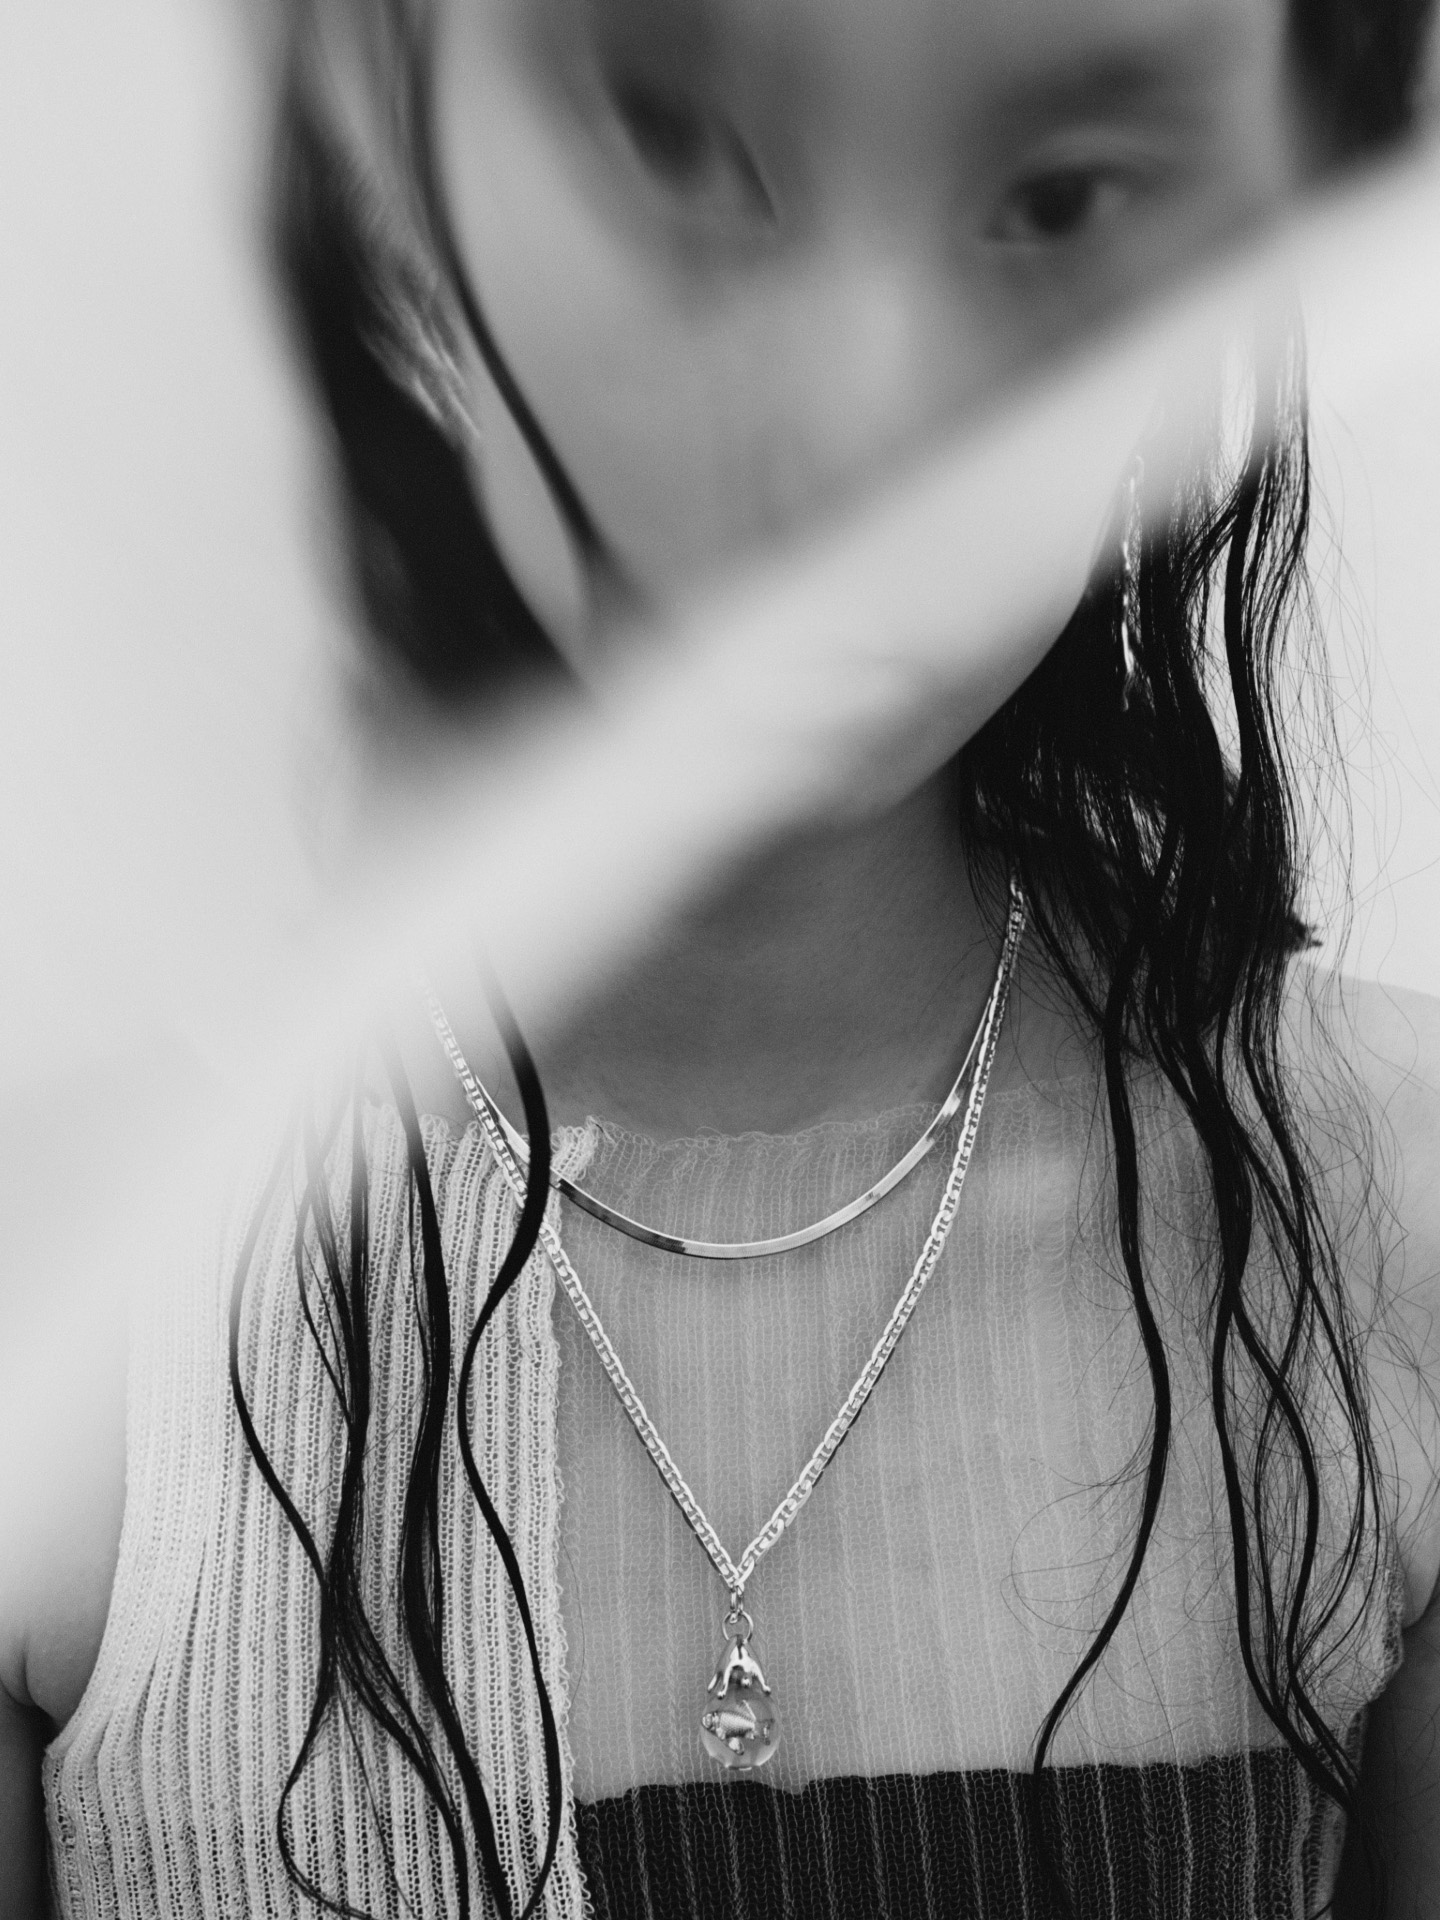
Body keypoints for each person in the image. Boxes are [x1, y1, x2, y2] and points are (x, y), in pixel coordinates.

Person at [3, 0, 1439, 1915]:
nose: (858, 428)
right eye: (678, 144)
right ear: (386, 152)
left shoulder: (1388, 1223)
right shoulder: (73, 1323)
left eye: (1062, 197)